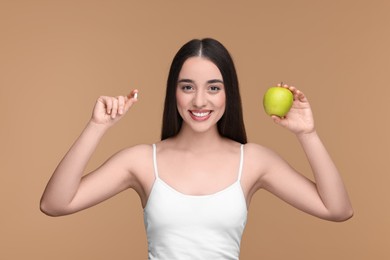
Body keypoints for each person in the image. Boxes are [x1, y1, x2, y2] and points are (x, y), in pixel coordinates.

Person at [40, 38, 353, 259]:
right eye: (187, 86)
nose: (200, 101)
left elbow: (337, 209)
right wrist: (97, 127)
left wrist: (307, 134)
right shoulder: (142, 161)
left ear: (228, 93)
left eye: (213, 88)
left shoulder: (254, 161)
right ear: (173, 93)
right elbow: (55, 204)